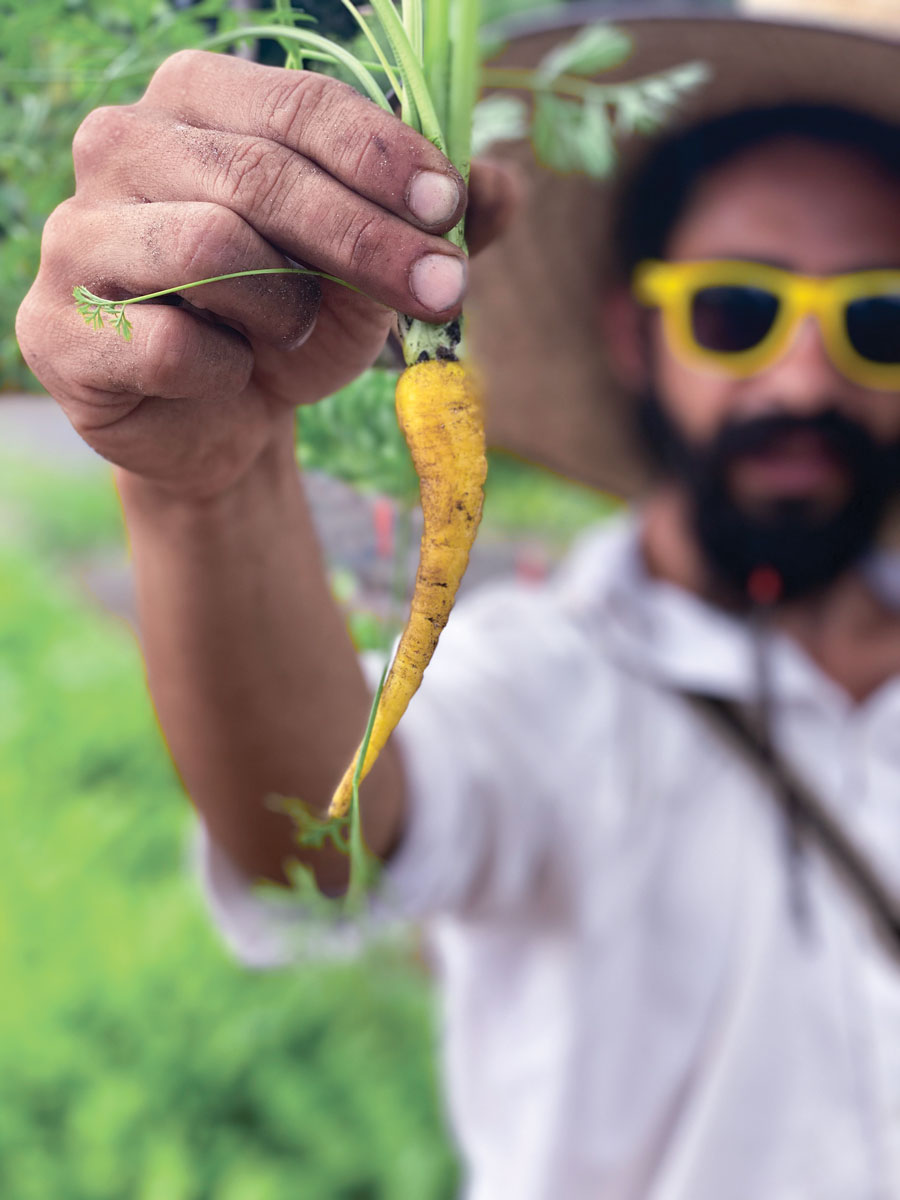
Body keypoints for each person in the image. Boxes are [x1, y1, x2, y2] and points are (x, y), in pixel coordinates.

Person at [15, 4, 900, 1197]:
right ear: (632, 338)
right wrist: (204, 494)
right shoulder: (545, 677)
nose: (808, 373)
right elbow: (316, 849)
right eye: (736, 310)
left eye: (878, 320)